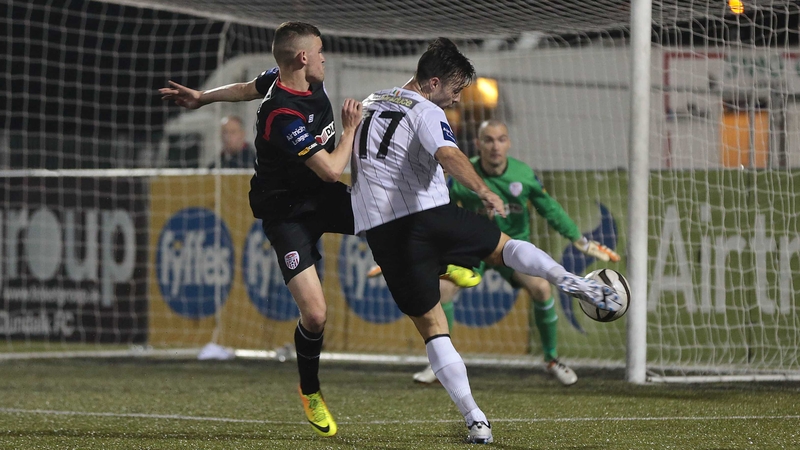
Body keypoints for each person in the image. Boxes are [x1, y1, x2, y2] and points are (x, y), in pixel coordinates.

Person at [350, 37, 620, 444]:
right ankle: (578, 285)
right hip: (429, 217)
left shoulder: (371, 100)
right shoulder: (425, 109)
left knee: (433, 328)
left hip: (385, 234)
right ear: (434, 82)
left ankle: (476, 418)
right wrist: (483, 190)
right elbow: (450, 155)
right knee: (503, 245)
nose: (456, 100)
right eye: (455, 90)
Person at [161, 21, 362, 438]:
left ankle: (443, 261)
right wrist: (351, 130)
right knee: (316, 314)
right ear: (303, 58)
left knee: (385, 217)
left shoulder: (282, 79)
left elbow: (247, 86)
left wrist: (202, 98)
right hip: (288, 213)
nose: (325, 57)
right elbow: (330, 169)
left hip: (319, 200)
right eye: (320, 50)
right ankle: (310, 391)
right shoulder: (282, 114)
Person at [409, 119, 621, 387]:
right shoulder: (465, 174)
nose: (495, 146)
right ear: (478, 144)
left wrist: (578, 239)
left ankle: (552, 359)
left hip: (511, 249)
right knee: (442, 291)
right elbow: (440, 209)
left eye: (501, 139)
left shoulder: (523, 174)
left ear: (508, 143)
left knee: (542, 289)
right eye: (488, 140)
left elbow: (550, 208)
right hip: (474, 247)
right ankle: (440, 362)